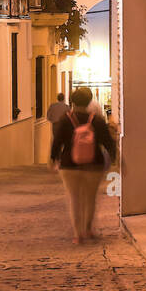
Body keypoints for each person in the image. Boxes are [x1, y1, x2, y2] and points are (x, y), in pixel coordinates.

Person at [50, 86, 116, 244]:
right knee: (90, 198)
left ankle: (77, 234)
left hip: (69, 165)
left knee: (74, 199)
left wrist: (53, 158)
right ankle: (87, 229)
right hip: (94, 164)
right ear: (89, 101)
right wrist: (114, 159)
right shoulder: (97, 120)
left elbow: (57, 141)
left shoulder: (65, 120)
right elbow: (108, 142)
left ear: (72, 101)